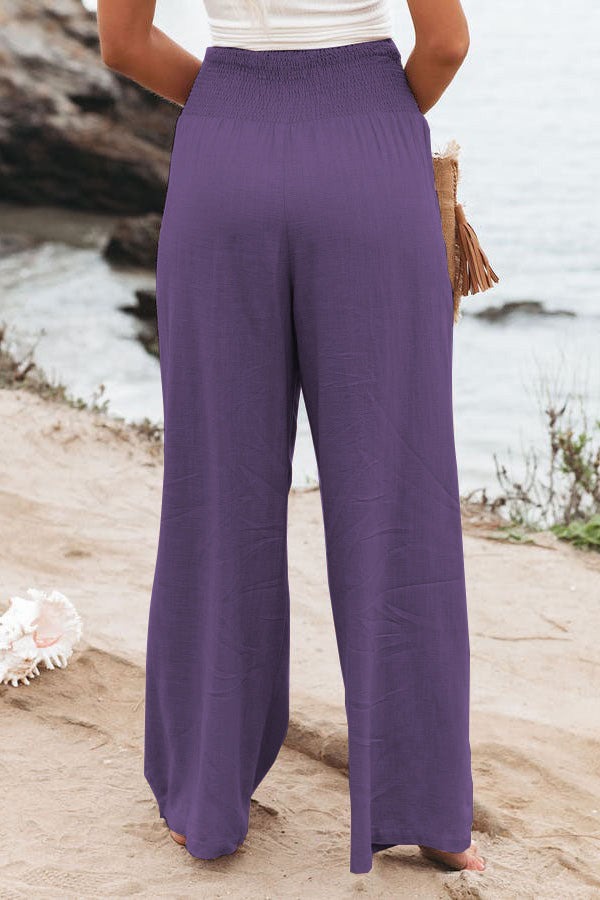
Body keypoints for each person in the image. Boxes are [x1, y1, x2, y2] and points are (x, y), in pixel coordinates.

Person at [98, 0, 485, 876]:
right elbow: (446, 44)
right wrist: (363, 116)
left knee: (215, 490)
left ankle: (206, 800)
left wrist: (238, 102)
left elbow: (122, 43)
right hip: (367, 157)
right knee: (397, 492)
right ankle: (429, 810)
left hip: (222, 155)